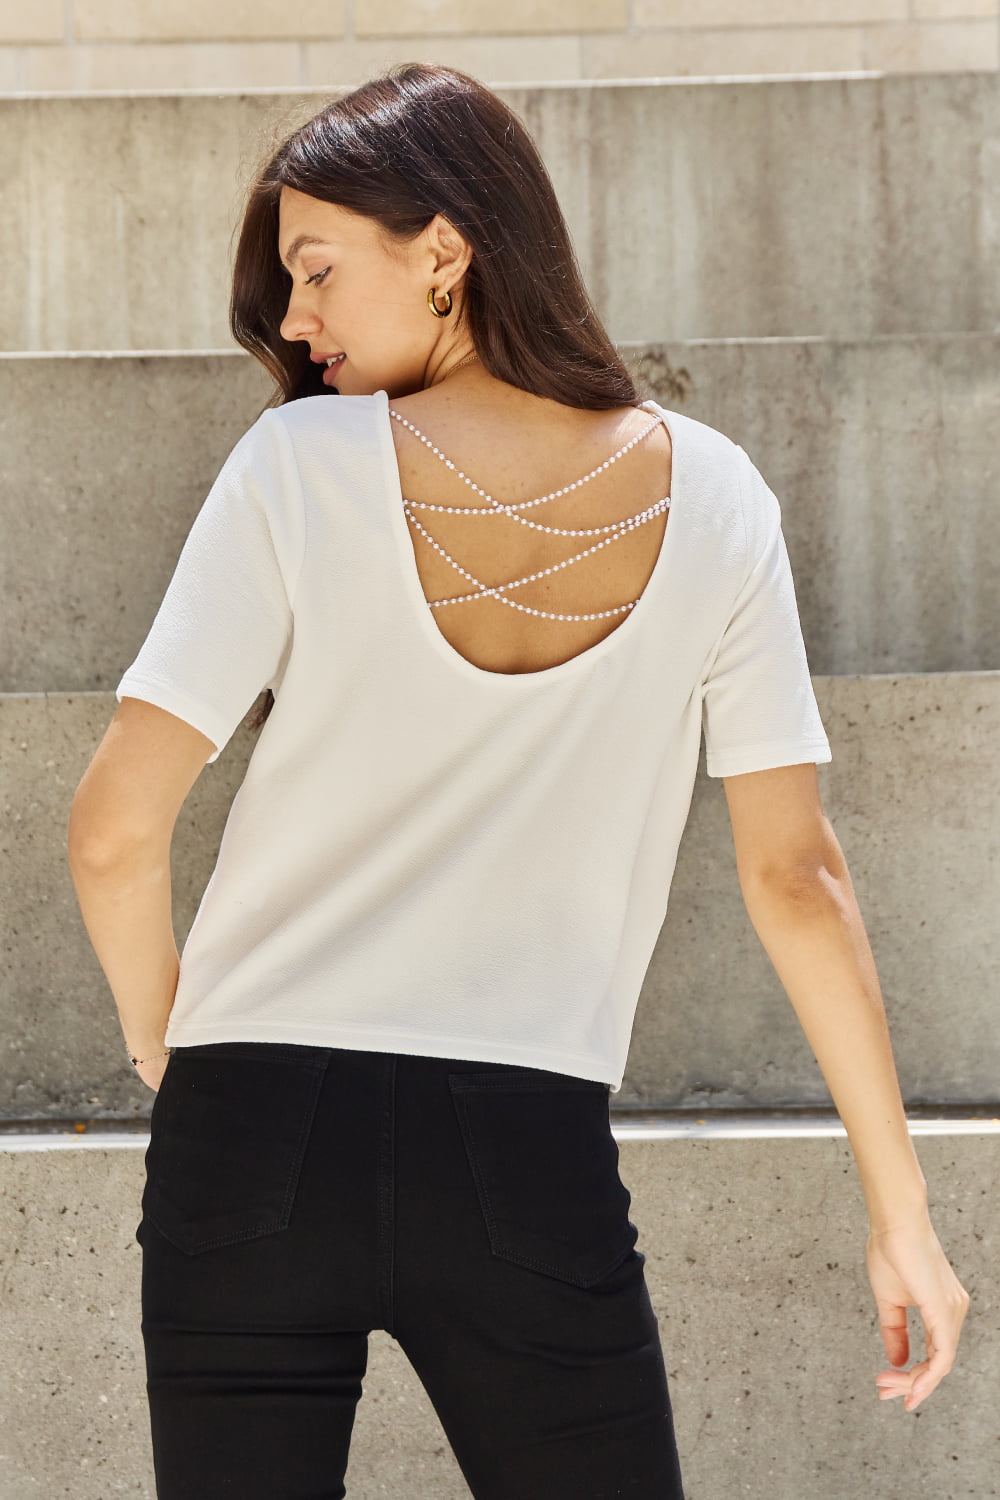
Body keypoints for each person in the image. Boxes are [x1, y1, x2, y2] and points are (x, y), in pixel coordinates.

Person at [67, 60, 969, 1500]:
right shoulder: (720, 501)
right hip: (522, 1146)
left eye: (315, 270)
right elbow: (798, 878)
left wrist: (181, 1057)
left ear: (444, 248)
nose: (293, 321)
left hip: (249, 1130)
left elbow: (114, 830)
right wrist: (898, 1204)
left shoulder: (299, 467)